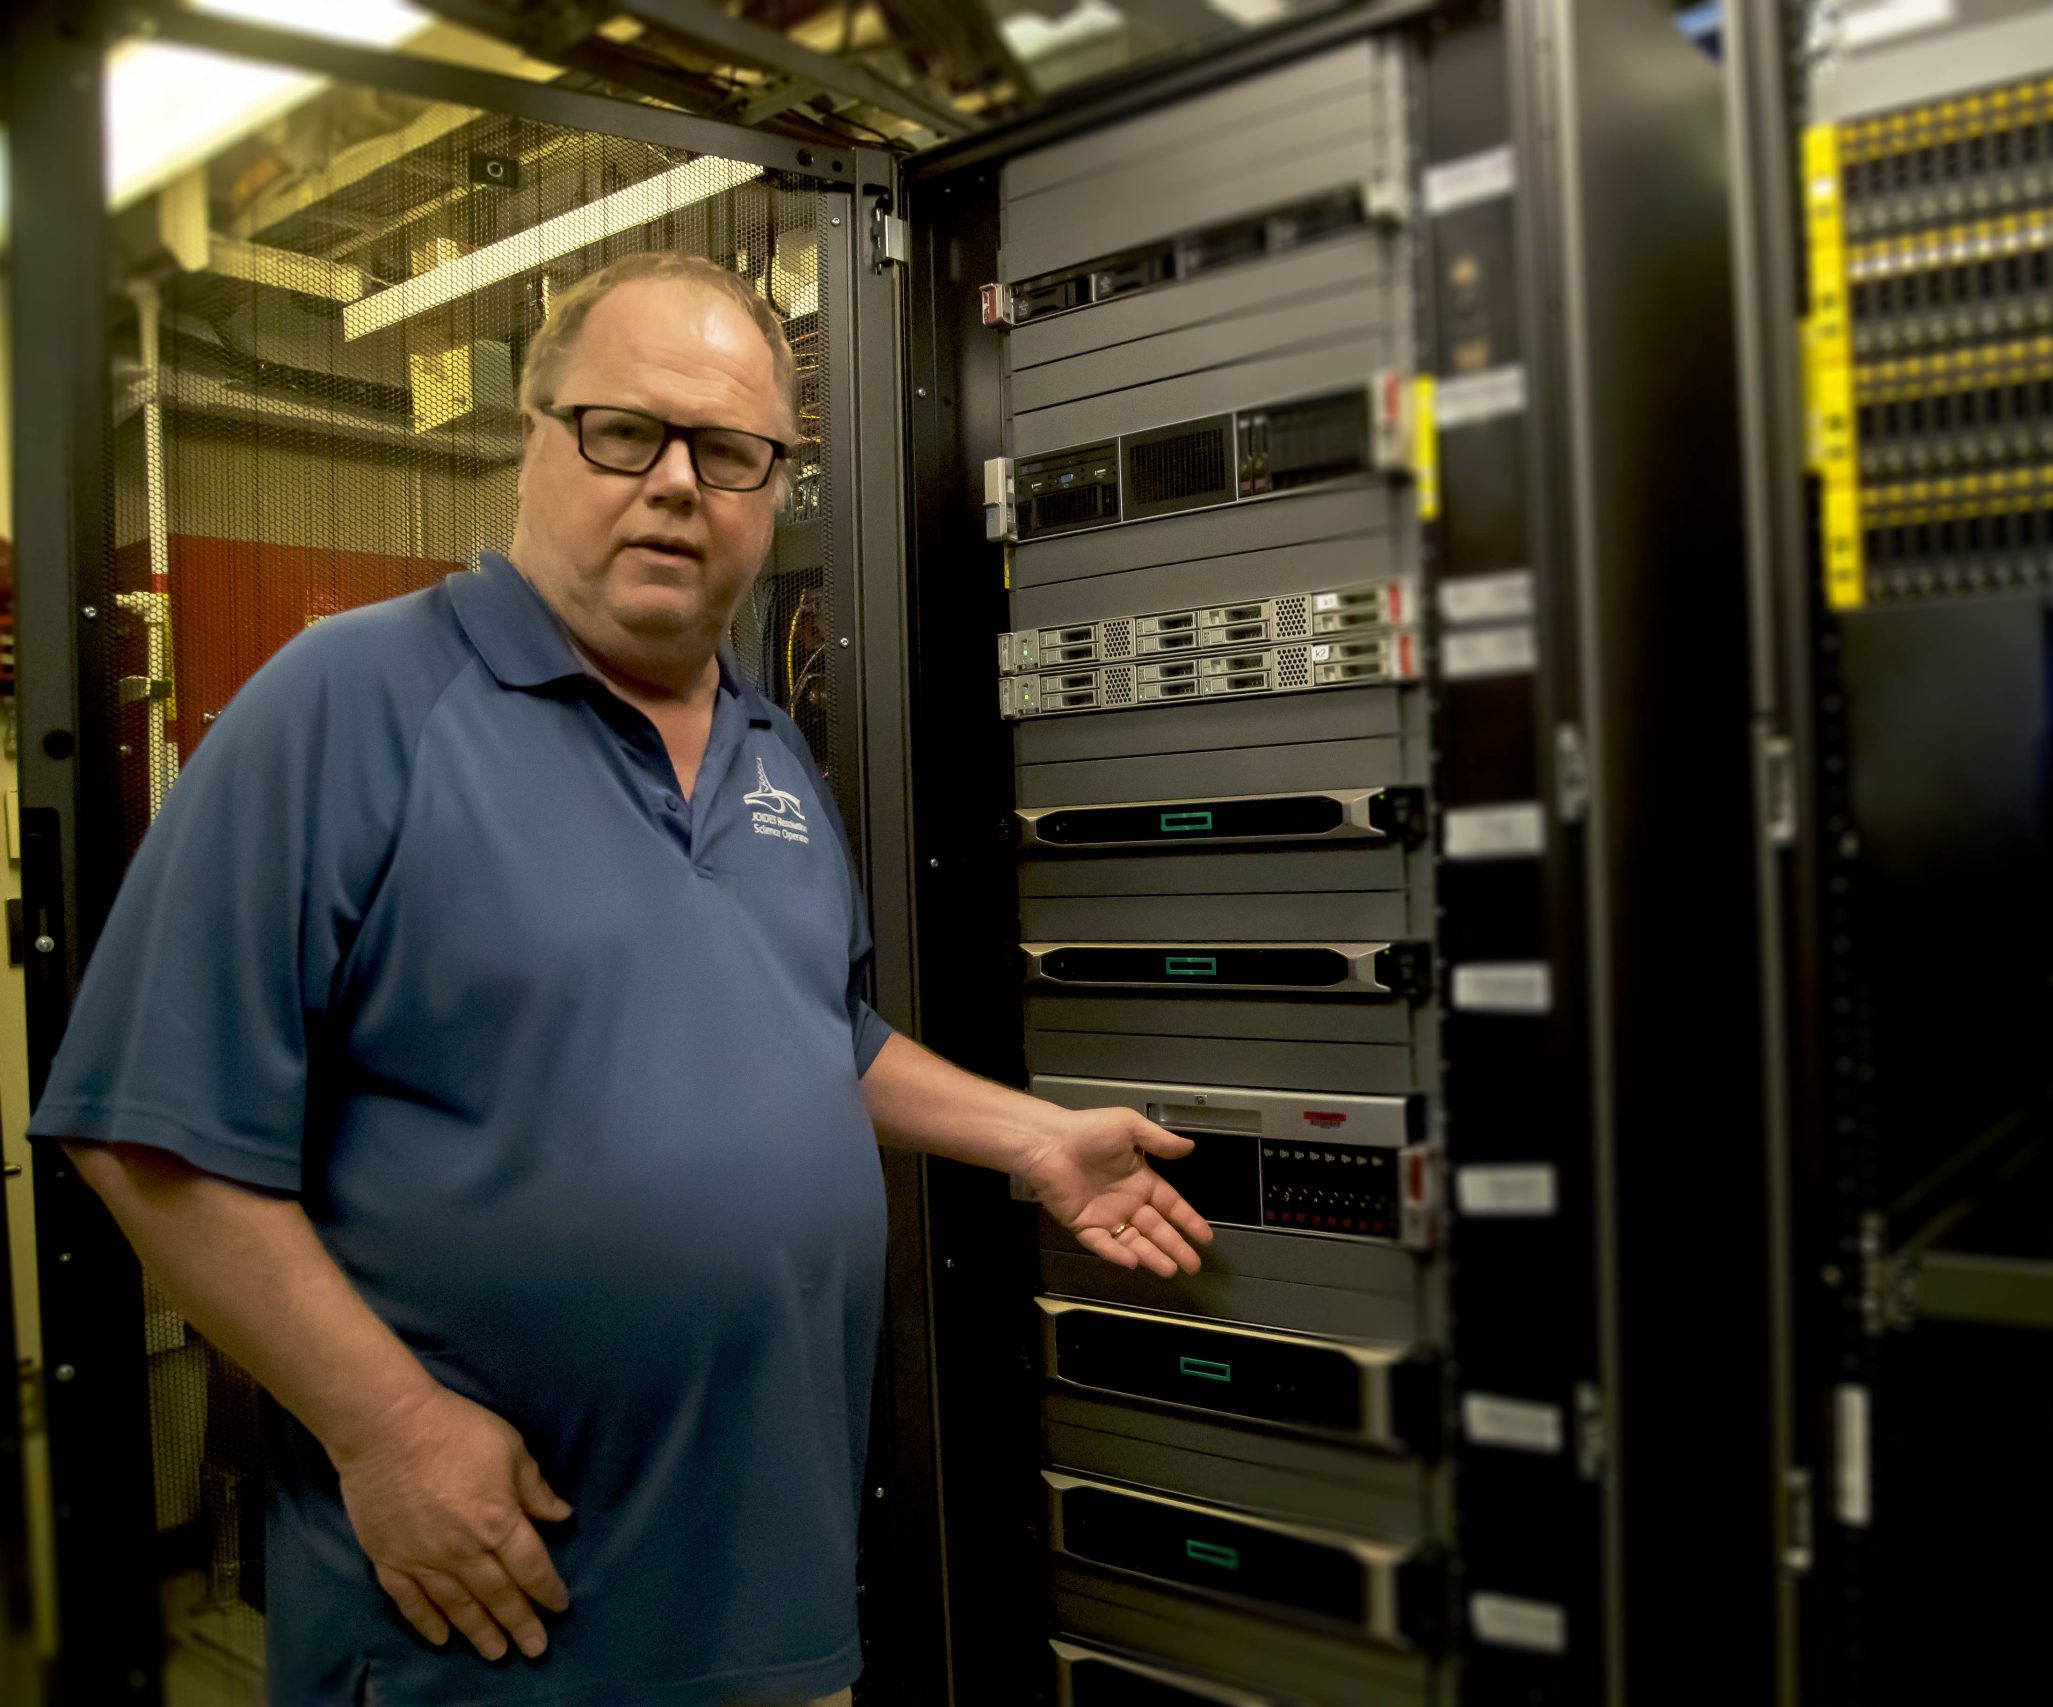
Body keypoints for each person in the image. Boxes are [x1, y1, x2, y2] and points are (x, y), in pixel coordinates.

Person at [30, 251, 1213, 1706]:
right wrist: (390, 1430)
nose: (675, 483)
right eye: (624, 431)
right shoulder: (353, 700)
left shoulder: (775, 754)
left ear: (775, 485)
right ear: (533, 436)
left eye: (728, 451)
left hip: (768, 1618)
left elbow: (813, 1034)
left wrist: (1032, 1140)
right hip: (488, 1618)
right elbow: (147, 1130)